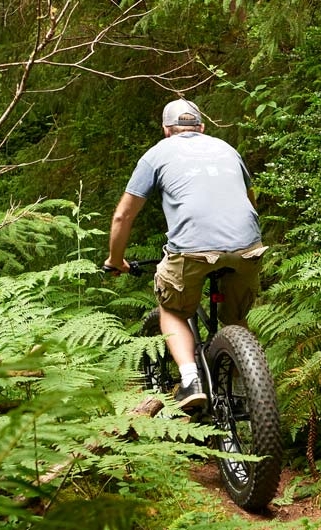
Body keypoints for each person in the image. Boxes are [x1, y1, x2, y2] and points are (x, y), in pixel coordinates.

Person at [105, 98, 265, 411]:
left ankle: (190, 380)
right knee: (237, 317)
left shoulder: (157, 154)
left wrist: (115, 260)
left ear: (166, 130)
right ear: (202, 127)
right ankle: (244, 389)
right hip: (248, 246)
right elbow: (250, 201)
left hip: (192, 250)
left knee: (173, 310)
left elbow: (123, 216)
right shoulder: (227, 149)